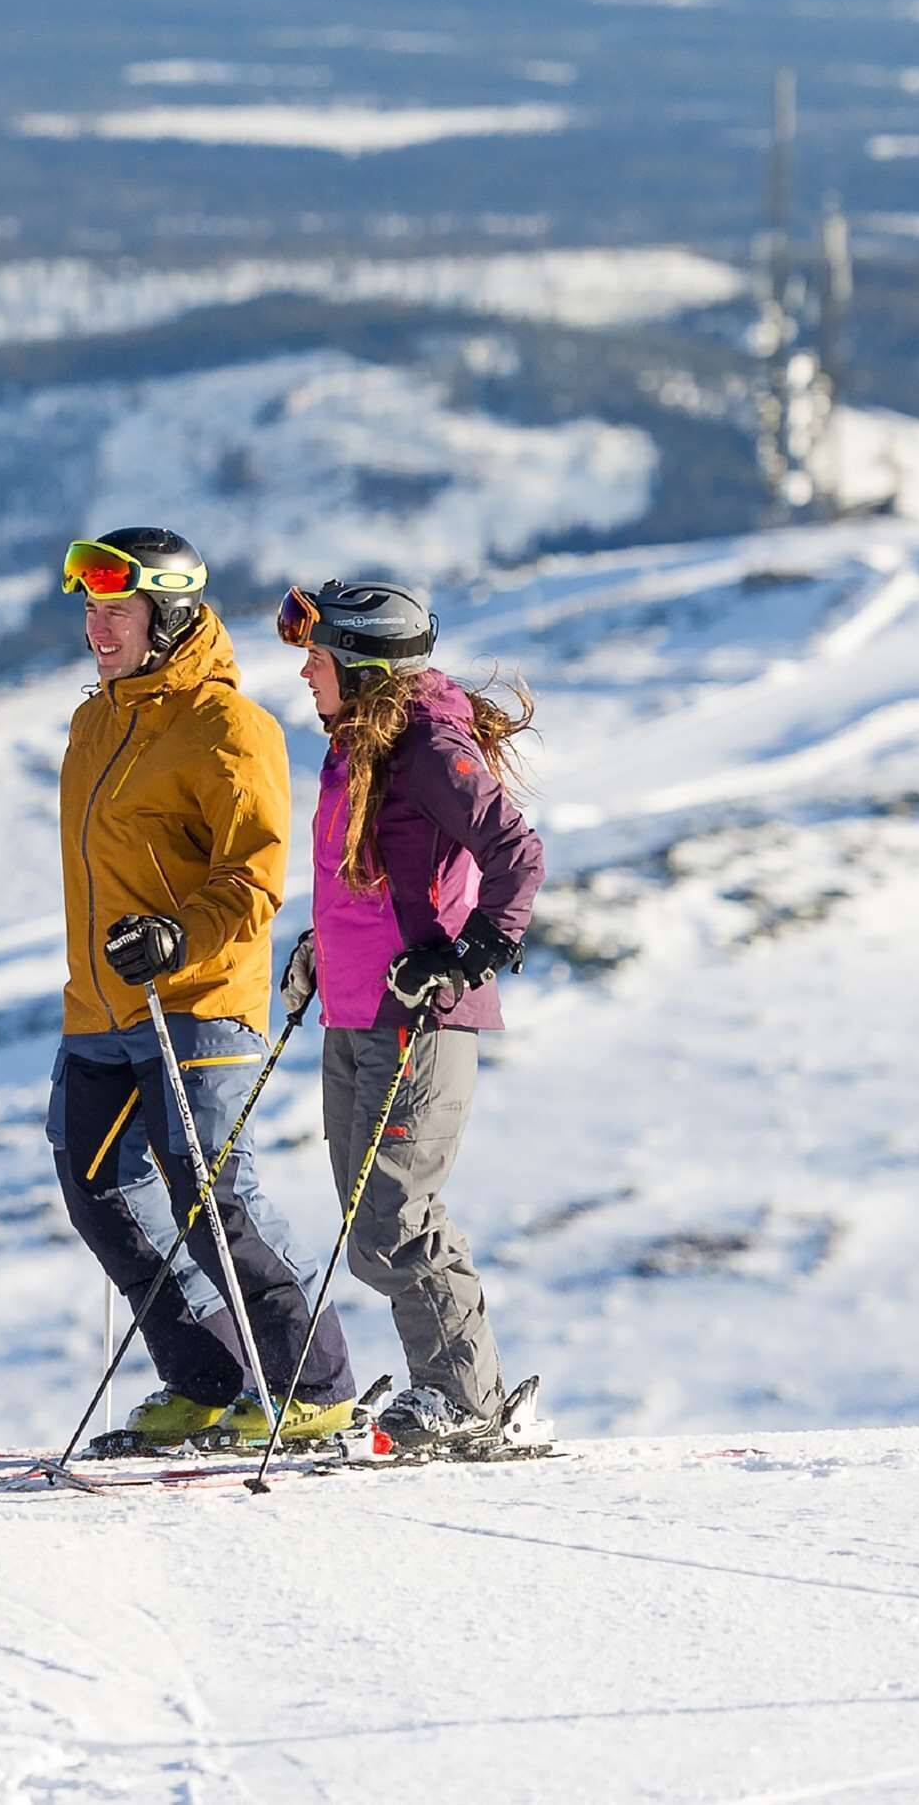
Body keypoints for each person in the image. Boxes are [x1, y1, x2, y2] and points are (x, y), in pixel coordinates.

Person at [50, 524, 359, 1448]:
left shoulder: (229, 726)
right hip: (100, 1003)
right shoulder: (95, 717)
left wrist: (177, 934)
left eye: (121, 610)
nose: (100, 629)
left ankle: (316, 1380)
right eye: (94, 611)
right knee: (97, 1185)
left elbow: (253, 874)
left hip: (198, 999)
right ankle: (208, 1378)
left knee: (211, 1187)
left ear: (172, 613)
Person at [274, 576, 550, 1453]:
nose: (304, 673)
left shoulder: (427, 745)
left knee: (394, 1220)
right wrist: (323, 950)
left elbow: (515, 854)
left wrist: (469, 952)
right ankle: (450, 1391)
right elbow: (365, 880)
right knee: (368, 1232)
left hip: (419, 1021)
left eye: (315, 657)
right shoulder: (357, 745)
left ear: (358, 665)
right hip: (355, 1015)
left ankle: (465, 1400)